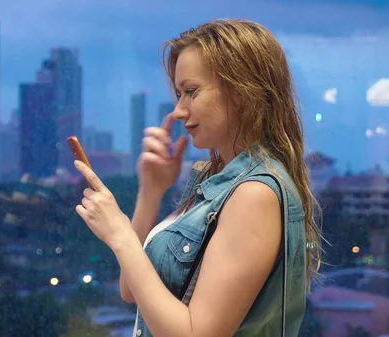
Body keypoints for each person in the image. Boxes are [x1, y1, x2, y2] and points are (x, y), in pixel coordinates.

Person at [73, 18, 322, 337]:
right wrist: (151, 190)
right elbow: (131, 290)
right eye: (179, 94)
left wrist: (119, 233)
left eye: (191, 92)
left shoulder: (254, 194)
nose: (178, 110)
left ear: (242, 91)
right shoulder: (219, 181)